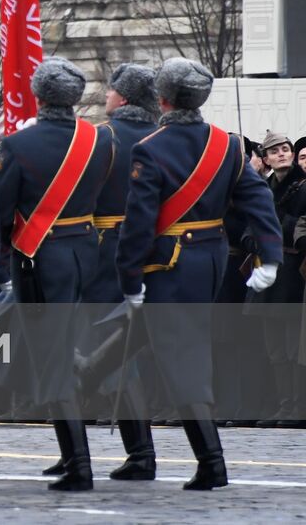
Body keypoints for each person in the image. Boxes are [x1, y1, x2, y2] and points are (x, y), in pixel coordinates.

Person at [119, 58, 283, 489]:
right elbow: (257, 200)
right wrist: (270, 255)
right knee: (136, 346)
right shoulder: (225, 144)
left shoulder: (150, 148)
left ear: (164, 99)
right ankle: (136, 443)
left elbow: (138, 224)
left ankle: (212, 462)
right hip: (210, 262)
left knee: (181, 359)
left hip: (168, 265)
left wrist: (129, 279)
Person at [0, 57, 114, 491]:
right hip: (85, 250)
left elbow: (1, 210)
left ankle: (79, 465)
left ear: (39, 97)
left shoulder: (19, 146)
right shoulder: (99, 141)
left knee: (53, 358)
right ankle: (68, 455)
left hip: (40, 259)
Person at [85, 63, 161, 477]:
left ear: (125, 98)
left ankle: (138, 453)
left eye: (113, 90)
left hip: (103, 253)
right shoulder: (161, 137)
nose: (107, 96)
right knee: (120, 349)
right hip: (154, 250)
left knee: (104, 353)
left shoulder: (103, 137)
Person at [250, 131, 306, 426]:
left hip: (292, 271)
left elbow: (299, 227)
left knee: (292, 347)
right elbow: (250, 224)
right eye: (275, 151)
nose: (282, 154)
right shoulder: (262, 189)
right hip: (268, 270)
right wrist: (254, 238)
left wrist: (278, 224)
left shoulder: (303, 187)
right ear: (267, 158)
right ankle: (284, 405)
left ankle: (297, 407)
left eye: (286, 149)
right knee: (274, 350)